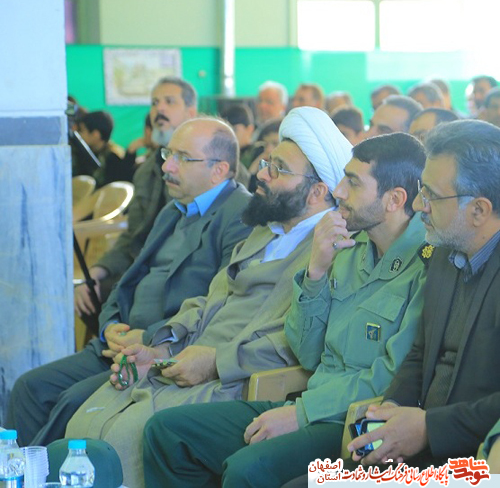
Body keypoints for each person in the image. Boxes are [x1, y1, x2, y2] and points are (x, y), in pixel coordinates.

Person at [64, 106, 353, 488]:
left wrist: (215, 362)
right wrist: (162, 346)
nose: (261, 174)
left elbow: (294, 343)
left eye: (278, 169)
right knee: (84, 423)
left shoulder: (330, 250)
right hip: (184, 360)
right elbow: (208, 299)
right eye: (267, 163)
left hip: (234, 379)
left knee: (124, 438)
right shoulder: (267, 231)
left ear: (317, 191)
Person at [141, 132, 429, 488]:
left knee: (248, 469)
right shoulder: (350, 247)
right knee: (168, 432)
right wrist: (316, 271)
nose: (338, 191)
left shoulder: (426, 266)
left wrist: (301, 414)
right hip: (310, 402)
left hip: (356, 424)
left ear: (394, 199)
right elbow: (307, 353)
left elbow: (393, 378)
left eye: (353, 182)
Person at [6, 117, 252, 447]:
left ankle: (47, 471)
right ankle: (21, 470)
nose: (167, 166)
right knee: (29, 387)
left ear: (218, 170)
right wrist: (110, 324)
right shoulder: (174, 210)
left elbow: (222, 304)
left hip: (160, 352)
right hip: (118, 342)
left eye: (182, 158)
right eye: (168, 154)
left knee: (72, 402)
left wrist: (149, 337)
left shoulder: (240, 214)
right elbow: (131, 277)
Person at [348, 120, 500, 469]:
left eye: (430, 194)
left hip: (475, 459)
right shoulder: (444, 252)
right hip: (417, 445)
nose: (418, 204)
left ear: (479, 210)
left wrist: (429, 428)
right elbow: (421, 352)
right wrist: (393, 409)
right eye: (420, 189)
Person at [74, 76, 197, 314]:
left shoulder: (203, 168)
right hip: (143, 267)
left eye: (169, 102)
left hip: (181, 276)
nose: (159, 109)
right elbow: (134, 236)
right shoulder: (146, 171)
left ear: (191, 112)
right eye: (155, 103)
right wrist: (97, 272)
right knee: (87, 293)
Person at [72, 111, 135, 187]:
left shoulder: (113, 159)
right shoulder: (88, 152)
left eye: (82, 131)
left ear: (95, 134)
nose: (79, 135)